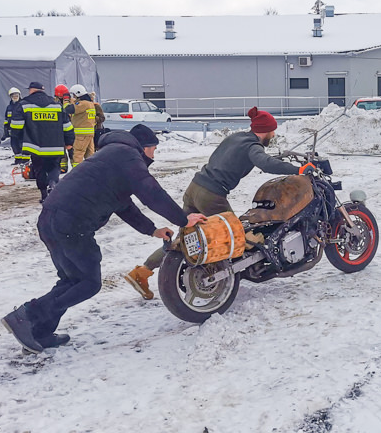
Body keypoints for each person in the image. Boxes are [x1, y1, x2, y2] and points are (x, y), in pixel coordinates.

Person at [1, 124, 207, 353]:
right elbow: (151, 192)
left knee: (71, 280)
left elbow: (123, 205)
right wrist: (183, 219)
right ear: (144, 147)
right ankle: (27, 316)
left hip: (52, 219)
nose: (154, 156)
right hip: (71, 223)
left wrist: (152, 230)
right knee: (89, 283)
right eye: (154, 150)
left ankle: (39, 332)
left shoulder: (112, 155)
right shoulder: (127, 155)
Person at [123, 106, 311, 299]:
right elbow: (265, 163)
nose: (273, 134)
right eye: (272, 130)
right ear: (265, 131)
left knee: (187, 240)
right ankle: (235, 273)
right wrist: (299, 169)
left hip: (194, 188)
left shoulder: (235, 138)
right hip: (211, 195)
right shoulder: (253, 147)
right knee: (235, 235)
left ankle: (143, 272)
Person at [10, 81, 74, 202]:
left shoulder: (24, 105)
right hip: (56, 145)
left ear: (31, 90)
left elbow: (16, 127)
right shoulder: (56, 105)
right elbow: (67, 126)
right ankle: (53, 184)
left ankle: (44, 195)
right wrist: (69, 142)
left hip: (36, 146)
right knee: (55, 167)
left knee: (39, 169)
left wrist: (17, 142)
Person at [64, 84, 97, 166]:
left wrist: (66, 101)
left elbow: (68, 109)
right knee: (90, 155)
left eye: (74, 95)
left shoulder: (82, 104)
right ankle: (91, 173)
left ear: (78, 94)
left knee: (78, 155)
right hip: (89, 134)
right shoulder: (90, 103)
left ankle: (76, 173)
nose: (74, 97)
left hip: (81, 135)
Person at [2, 87, 29, 165]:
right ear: (10, 97)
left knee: (23, 145)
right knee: (14, 145)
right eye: (13, 95)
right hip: (13, 131)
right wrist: (6, 128)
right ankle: (18, 160)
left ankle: (25, 160)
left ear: (19, 95)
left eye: (16, 95)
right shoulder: (9, 107)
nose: (15, 97)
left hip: (22, 130)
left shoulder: (23, 105)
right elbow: (6, 118)